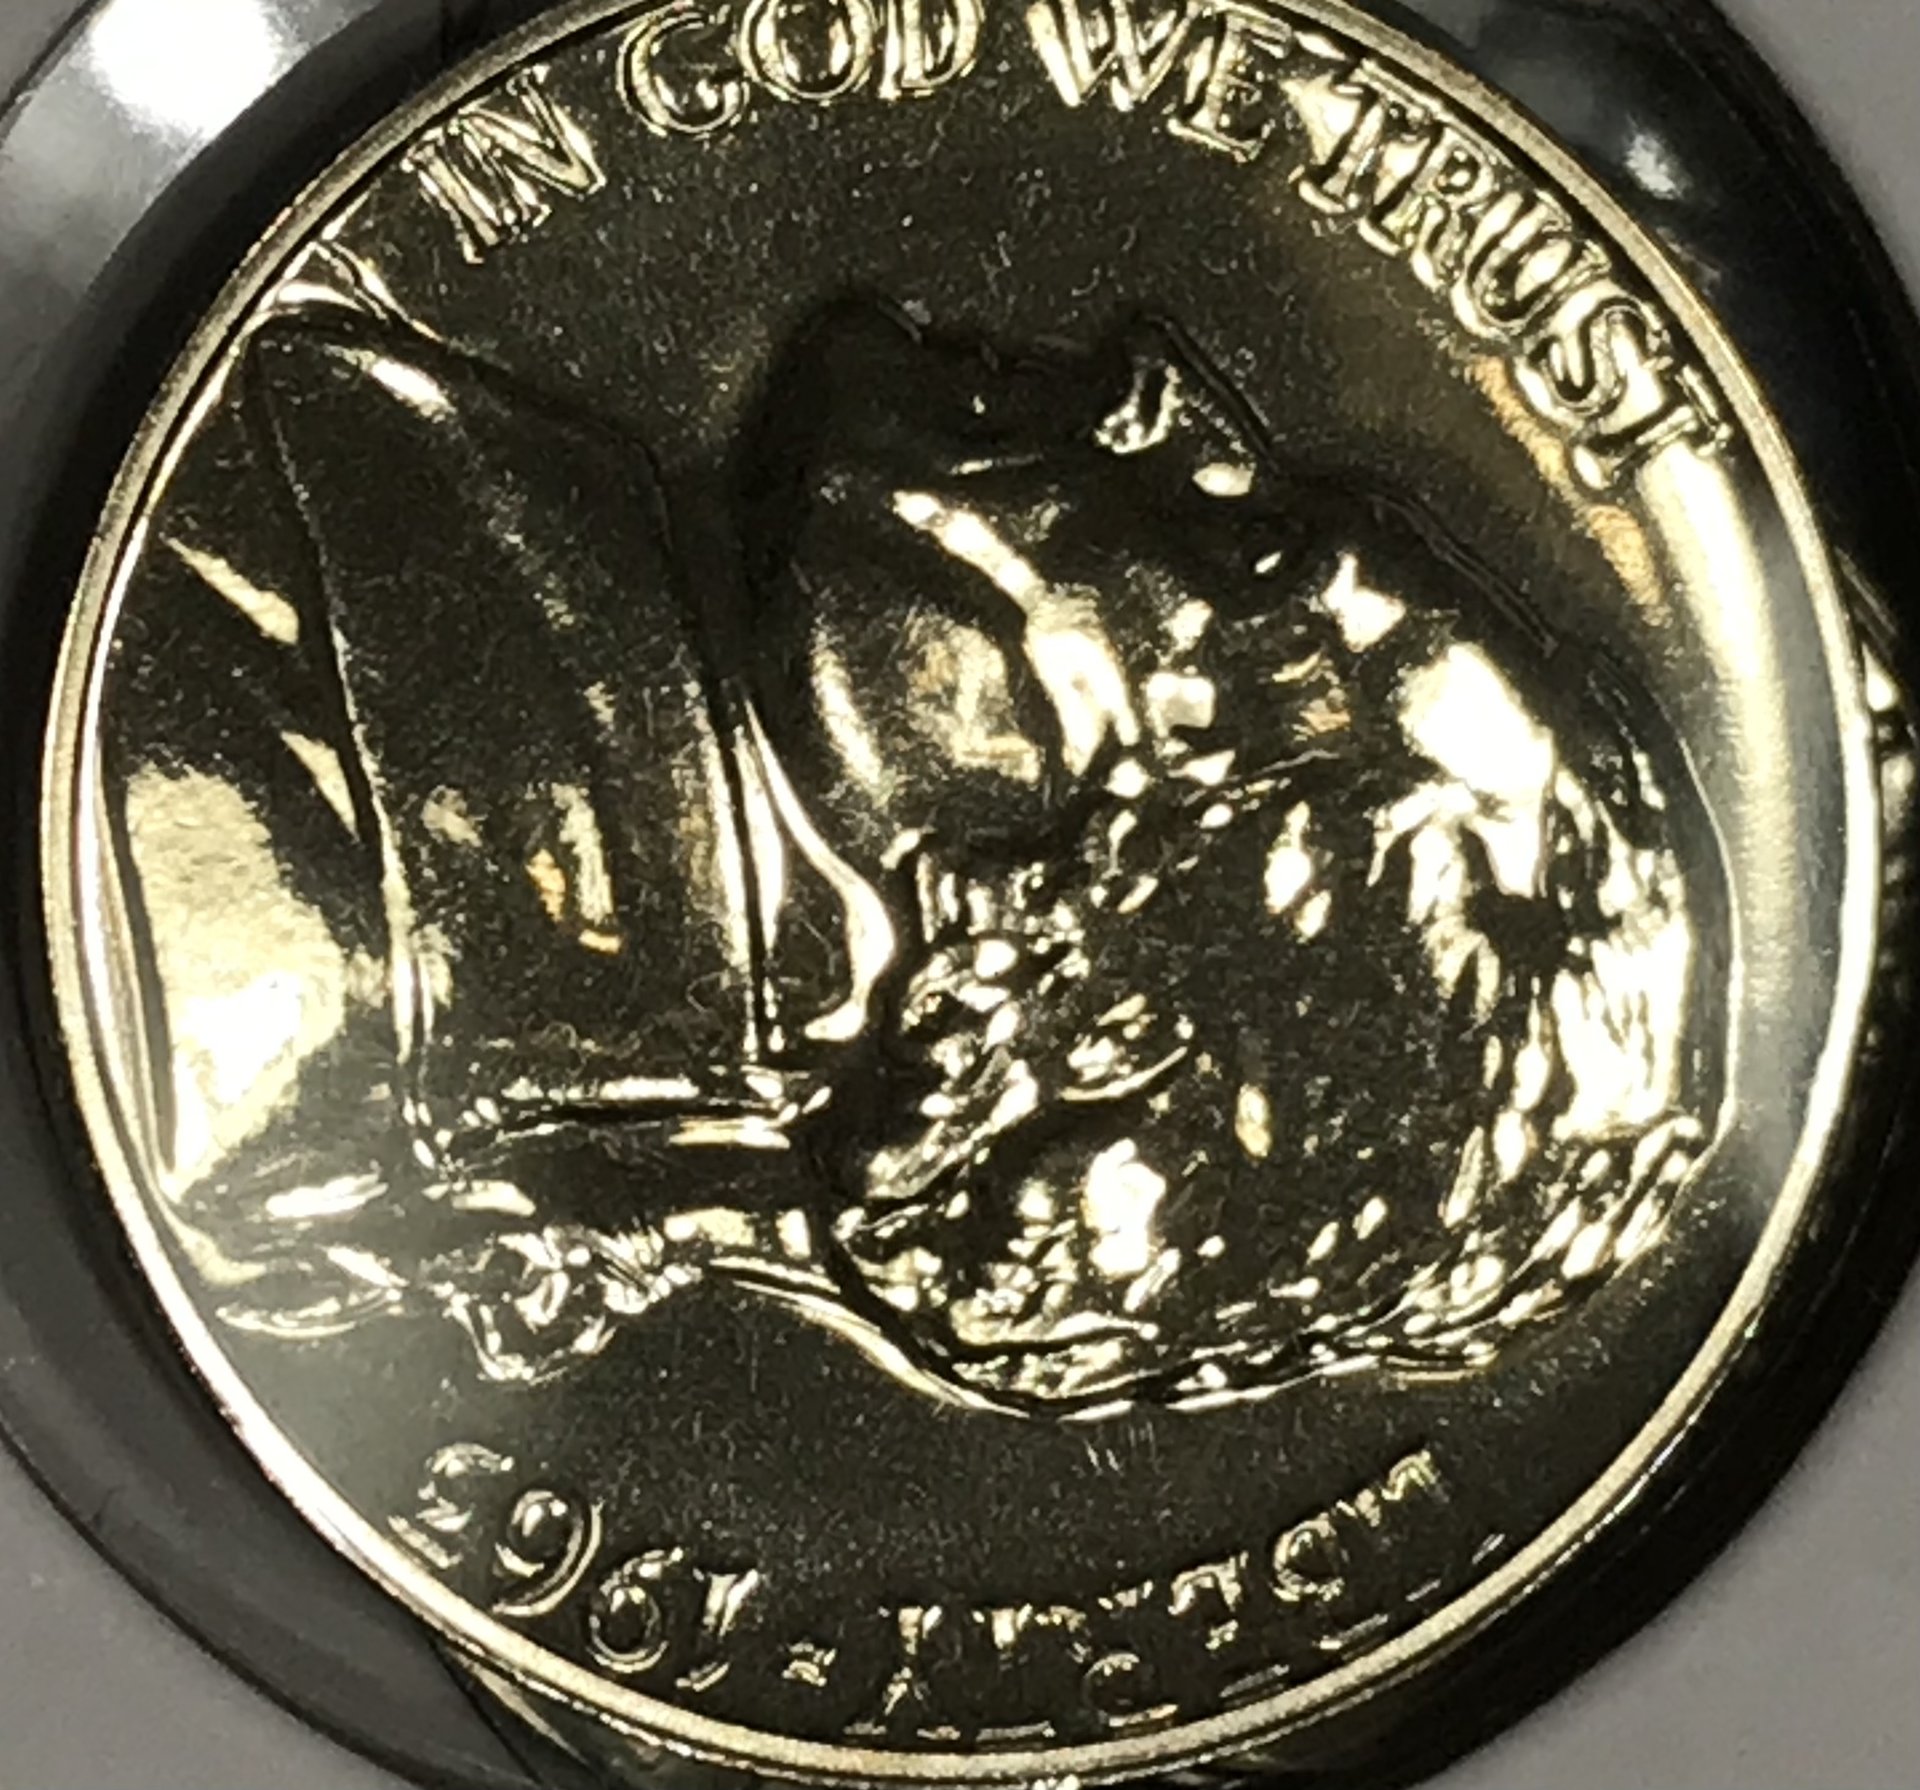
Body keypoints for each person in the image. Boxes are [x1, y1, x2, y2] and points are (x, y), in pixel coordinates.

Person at [99, 289, 1711, 1416]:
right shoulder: (417, 533)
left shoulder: (286, 937)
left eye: (1248, 543)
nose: (1168, 383)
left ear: (1092, 945)